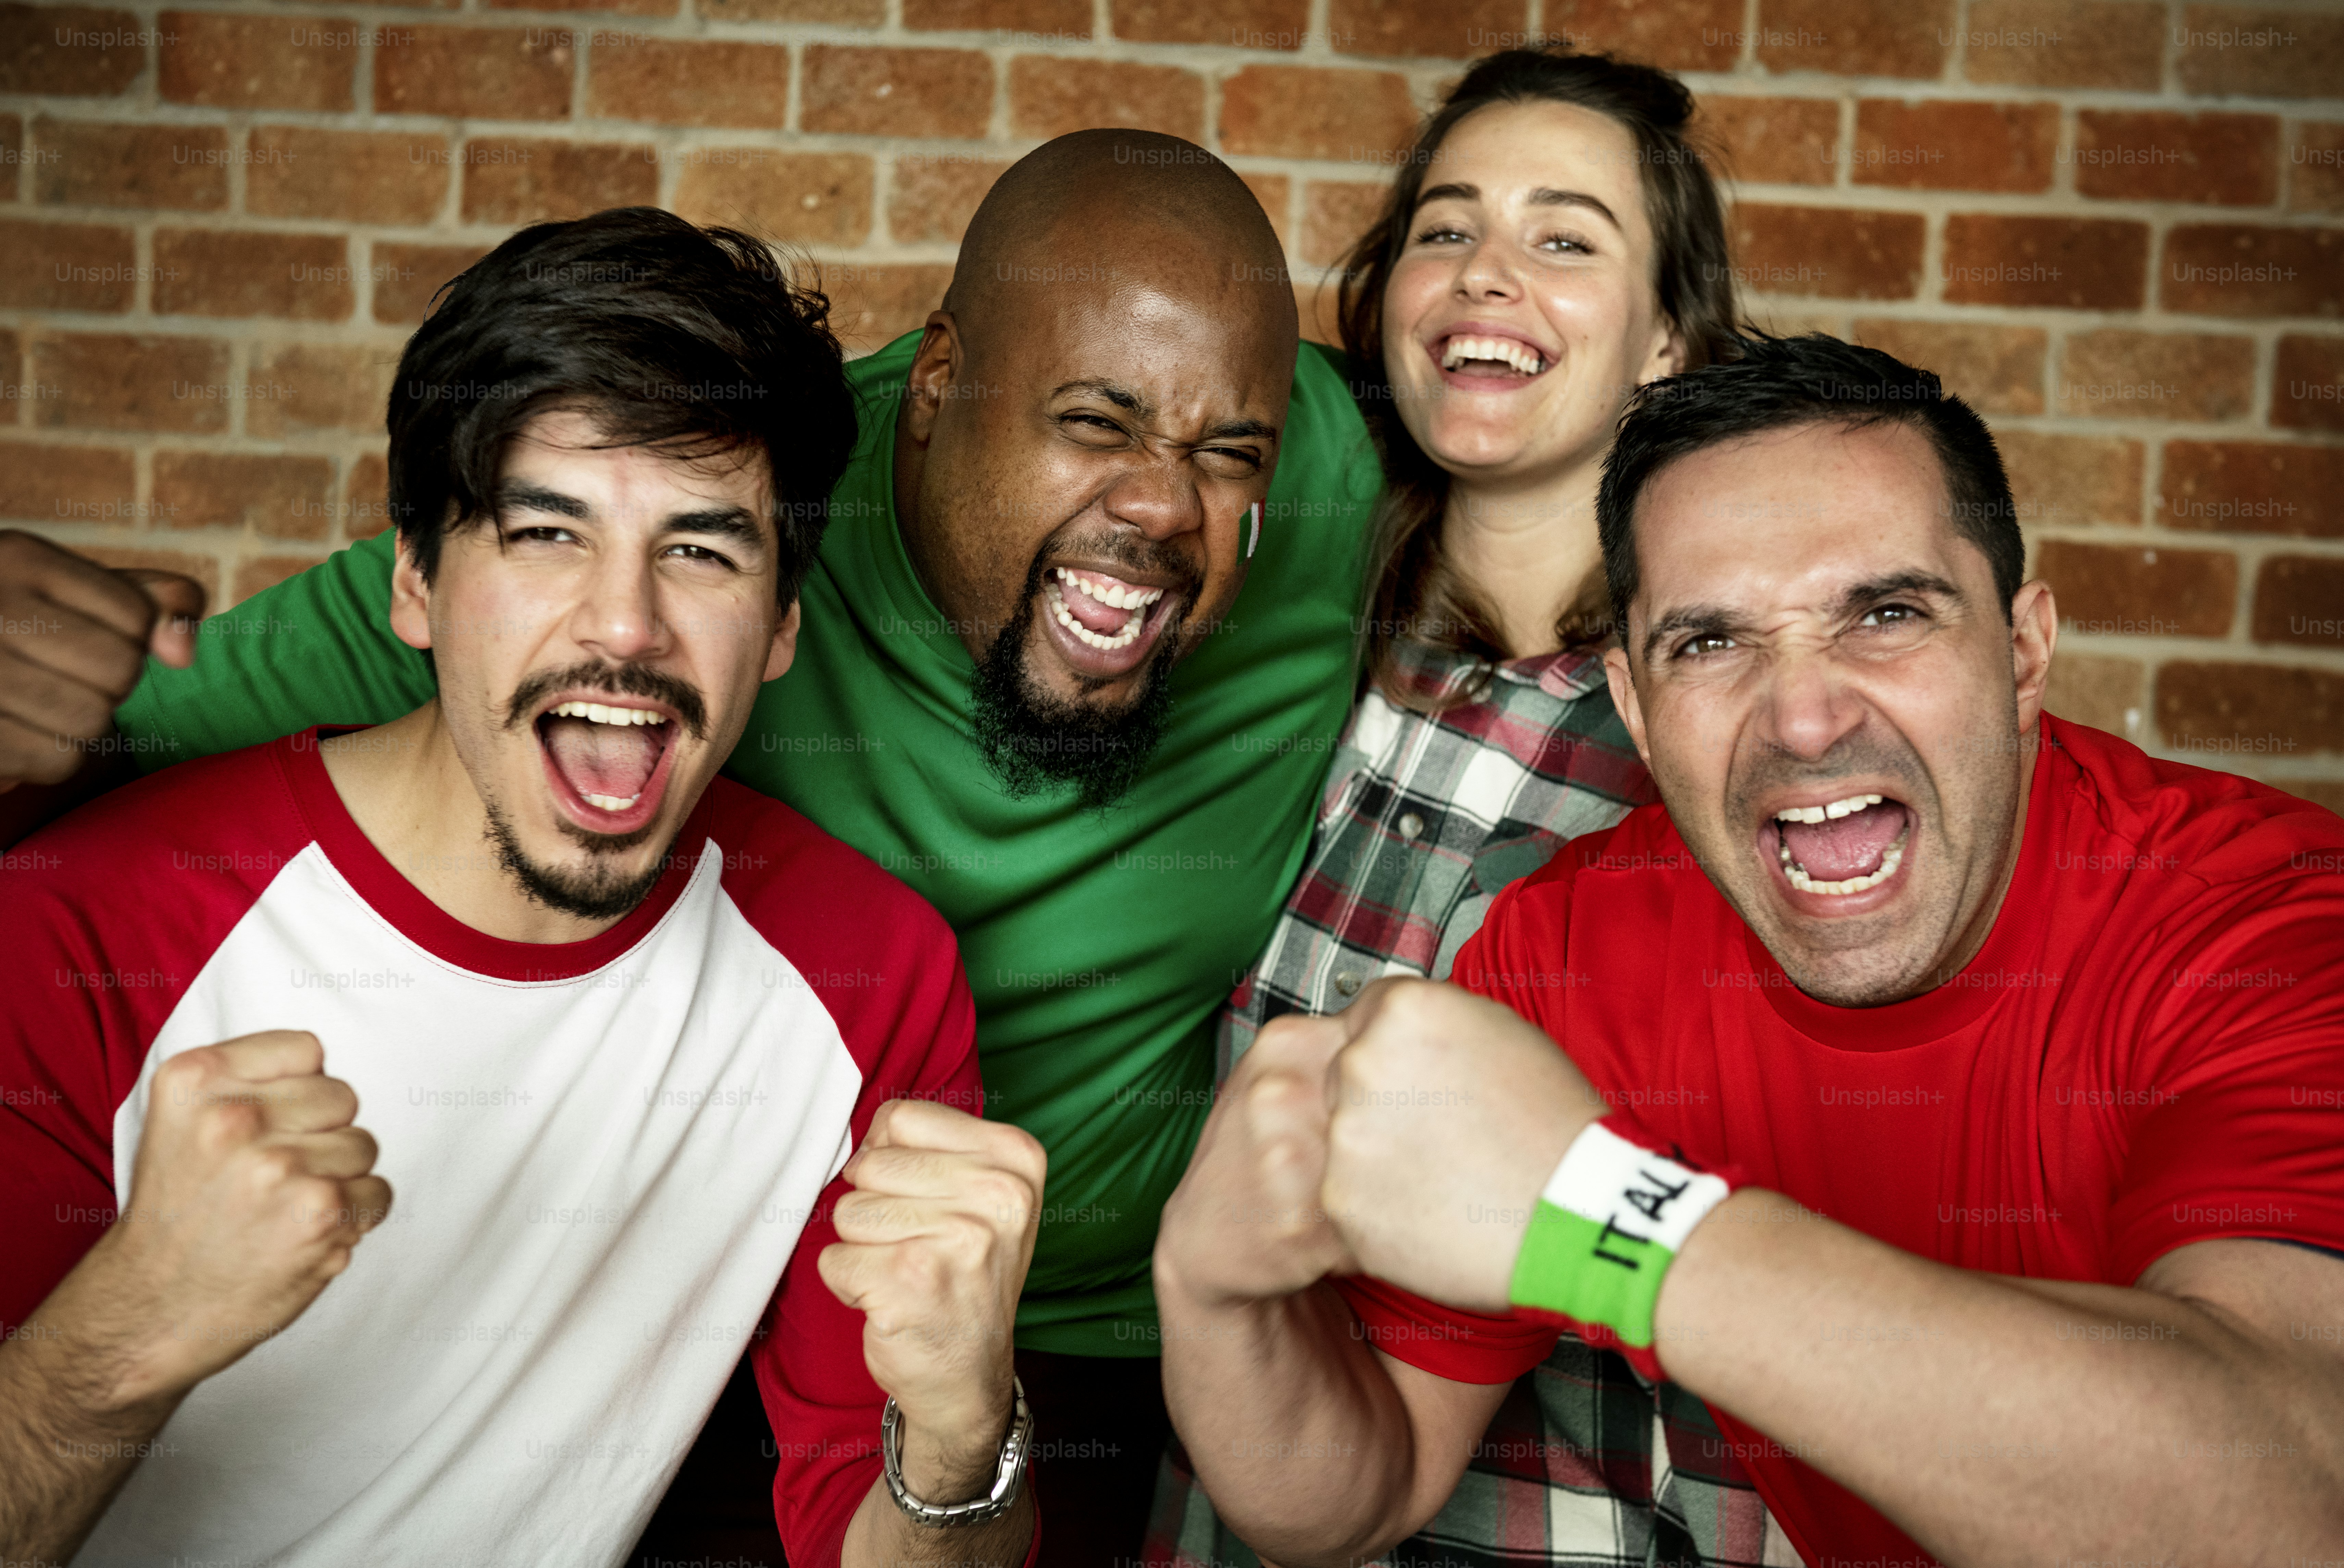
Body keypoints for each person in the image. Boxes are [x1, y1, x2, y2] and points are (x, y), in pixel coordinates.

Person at [0, 130, 1382, 1560]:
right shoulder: (87, 926)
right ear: (413, 576)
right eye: (547, 534)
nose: (625, 622)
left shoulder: (867, 981)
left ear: (783, 616)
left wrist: (962, 1420)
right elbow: (90, 719)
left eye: (704, 551)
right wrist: (134, 1318)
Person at [1155, 331, 2344, 1566]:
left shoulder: (2261, 923)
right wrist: (1210, 1293)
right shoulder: (1571, 948)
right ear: (1632, 706)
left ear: (2021, 650)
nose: (1804, 717)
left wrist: (1616, 1221)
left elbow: (2298, 1500)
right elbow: (1358, 1485)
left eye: (1885, 614)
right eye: (1710, 643)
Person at [1152, 49, 1794, 1567]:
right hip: (1238, 1501)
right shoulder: (1298, 667)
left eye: (1564, 237)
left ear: (1666, 340)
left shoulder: (1724, 734)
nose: (1486, 272)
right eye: (1446, 229)